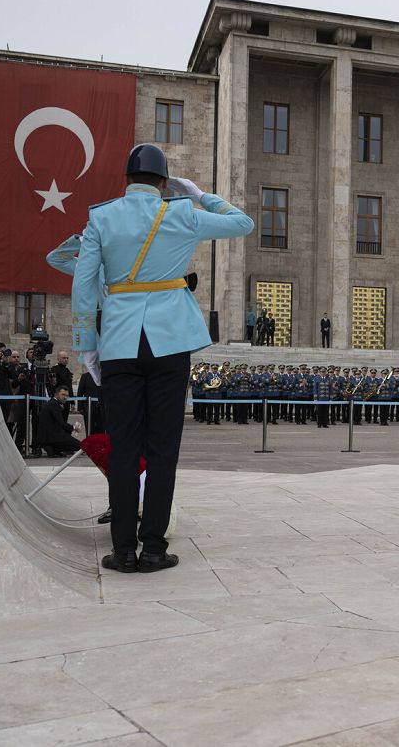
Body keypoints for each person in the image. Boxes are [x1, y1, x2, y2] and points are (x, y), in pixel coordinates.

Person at [73, 143, 253, 573]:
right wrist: (199, 193)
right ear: (164, 181)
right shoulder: (182, 212)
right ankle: (153, 547)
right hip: (171, 343)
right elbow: (241, 223)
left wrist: (87, 345)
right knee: (163, 449)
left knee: (122, 447)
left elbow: (83, 285)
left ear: (126, 180)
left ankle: (122, 550)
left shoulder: (102, 217)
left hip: (118, 343)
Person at [39, 386, 81, 457]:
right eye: (63, 394)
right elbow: (61, 423)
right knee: (81, 446)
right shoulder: (54, 404)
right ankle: (52, 448)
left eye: (67, 395)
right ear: (56, 394)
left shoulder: (53, 403)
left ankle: (53, 449)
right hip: (52, 436)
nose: (65, 397)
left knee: (75, 443)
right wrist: (74, 427)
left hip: (49, 435)